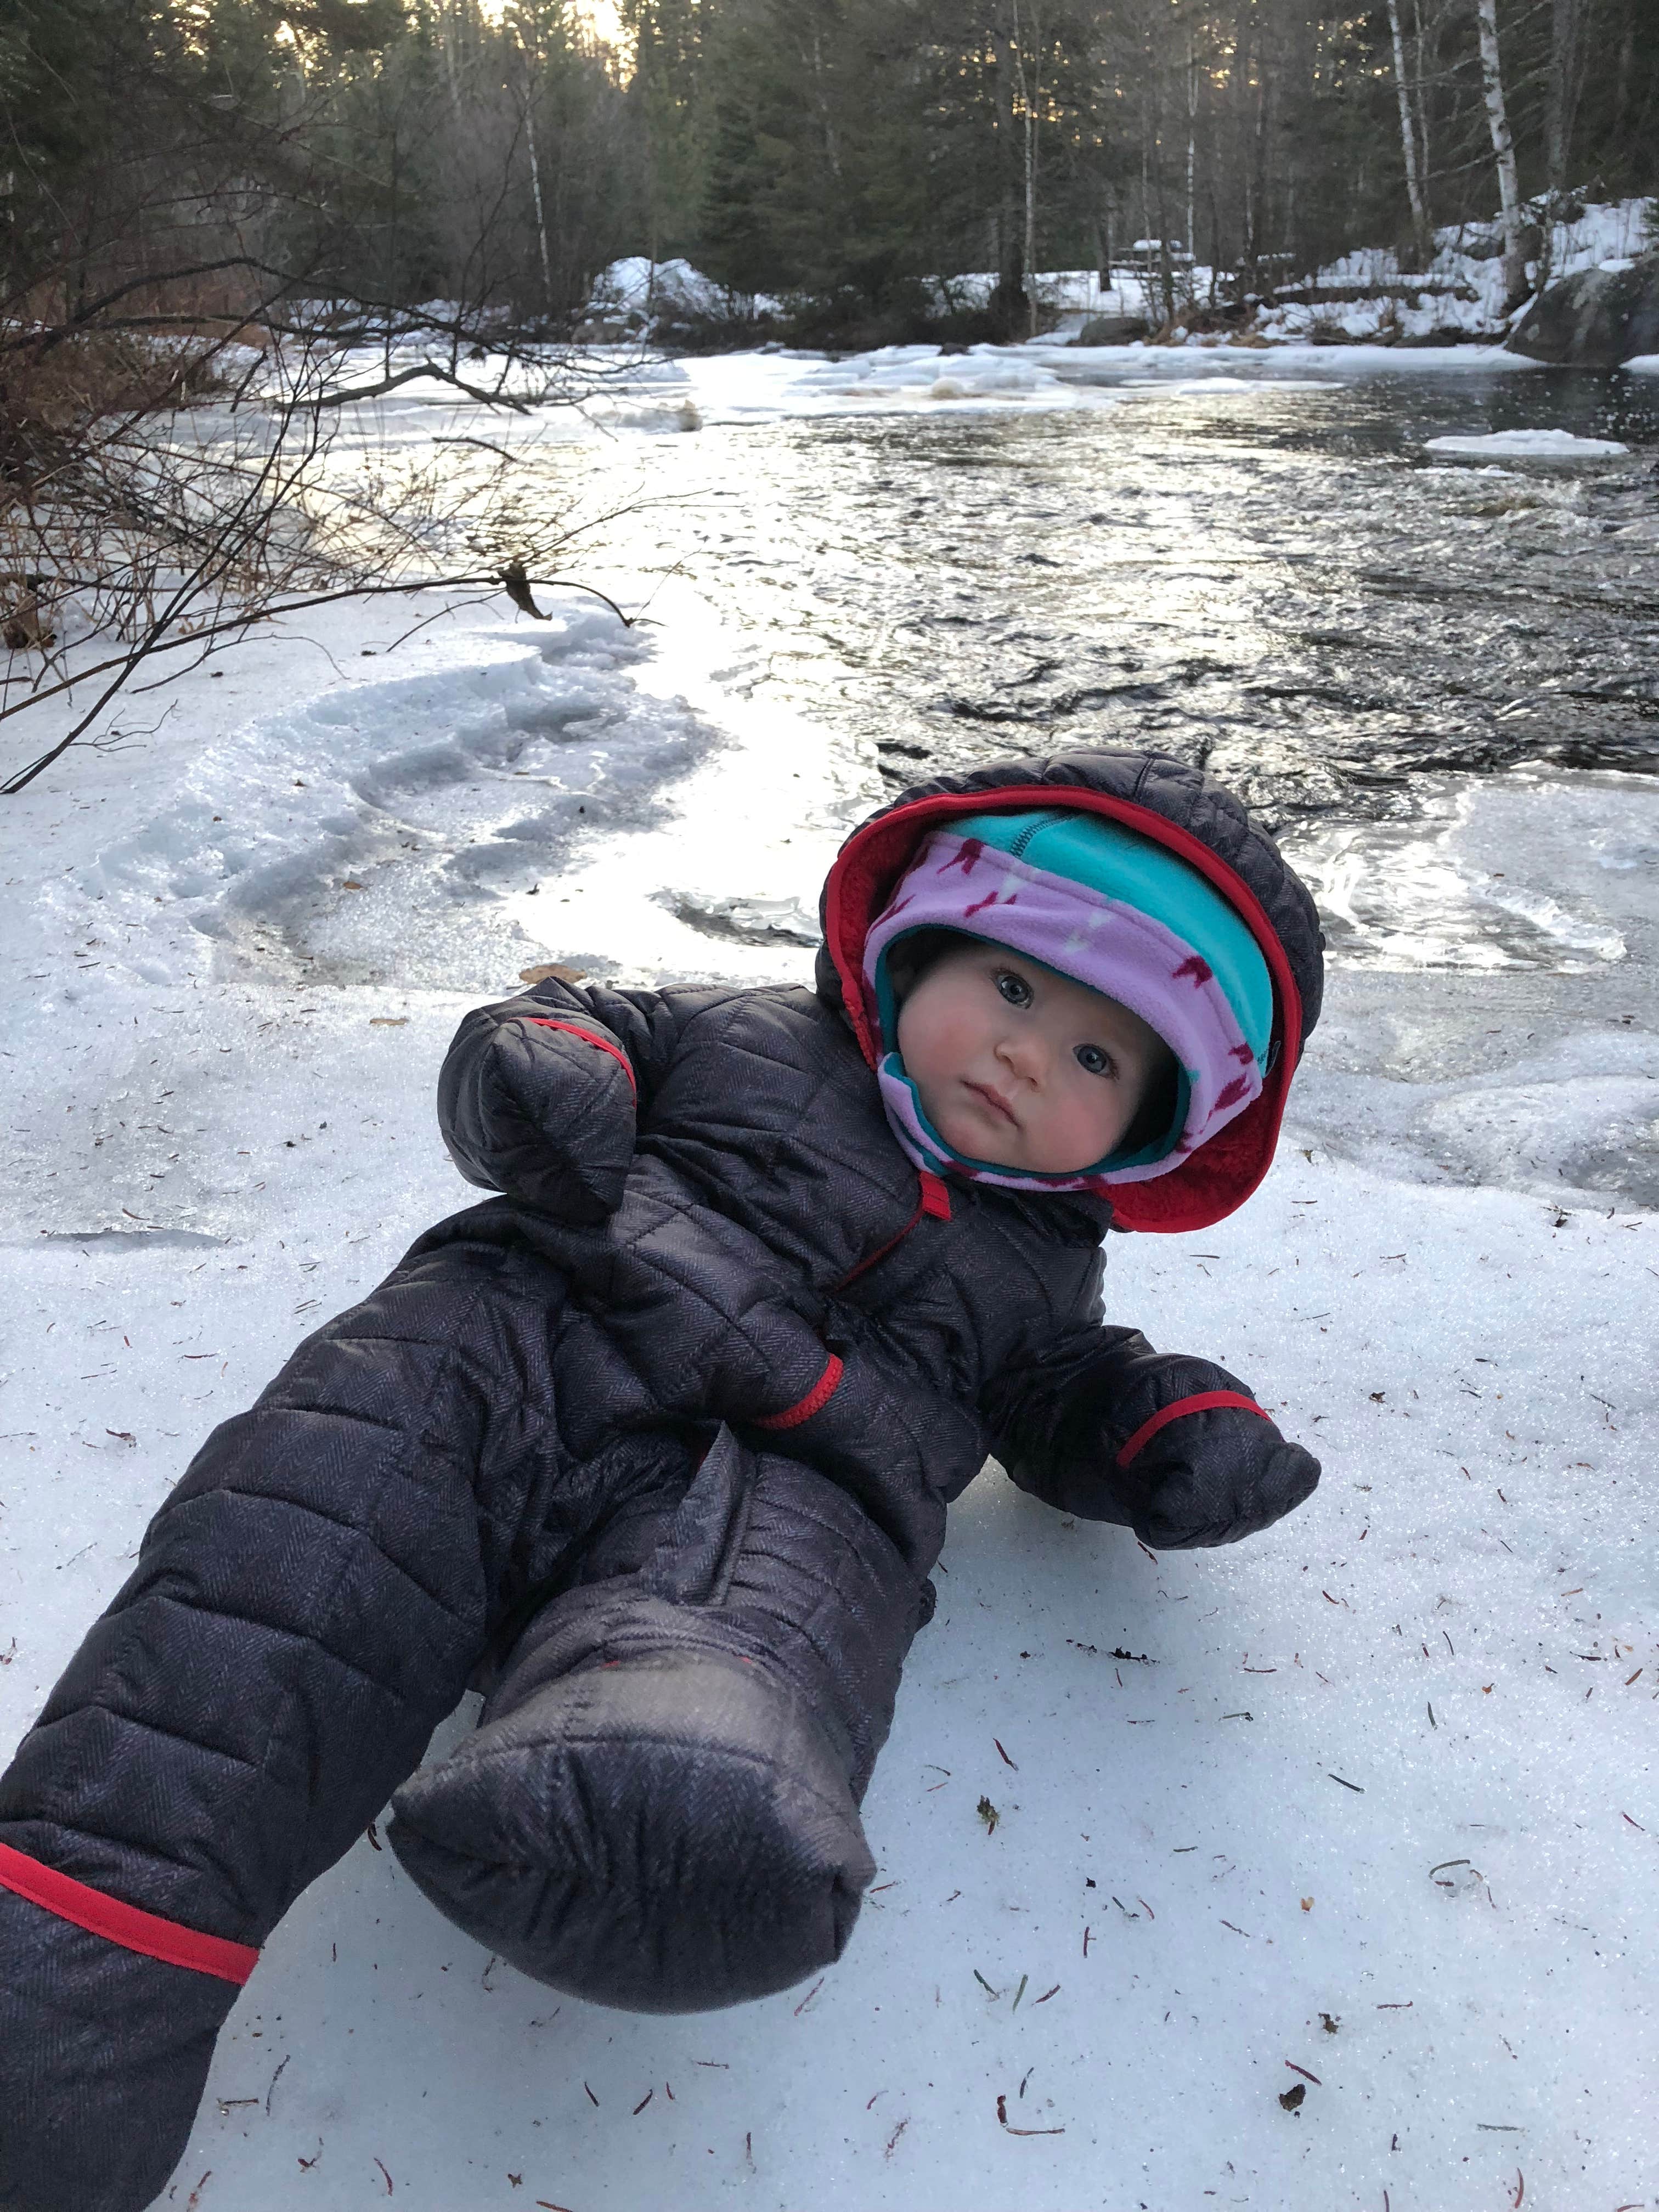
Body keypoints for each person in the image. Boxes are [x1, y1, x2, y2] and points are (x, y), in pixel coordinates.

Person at [0, 749, 1324, 2212]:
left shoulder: (1044, 1270)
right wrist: (547, 1070)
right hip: (515, 1343)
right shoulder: (747, 1033)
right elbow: (584, 1029)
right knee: (289, 1572)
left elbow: (1061, 1398)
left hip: (773, 1486)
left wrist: (1161, 1429)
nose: (1024, 1054)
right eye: (1012, 988)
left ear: (1149, 1132)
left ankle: (657, 1794)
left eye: (1094, 1057)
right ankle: (78, 1954)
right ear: (919, 946)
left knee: (783, 1611)